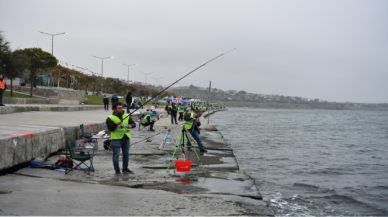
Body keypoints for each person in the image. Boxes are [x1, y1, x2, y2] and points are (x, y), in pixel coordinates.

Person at [105, 102, 136, 175]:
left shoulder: (127, 116)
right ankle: (117, 170)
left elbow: (134, 124)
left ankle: (125, 169)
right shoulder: (110, 118)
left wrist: (131, 126)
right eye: (119, 108)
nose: (121, 109)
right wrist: (115, 124)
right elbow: (110, 129)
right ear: (114, 109)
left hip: (126, 138)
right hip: (116, 139)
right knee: (116, 155)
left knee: (126, 154)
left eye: (122, 108)